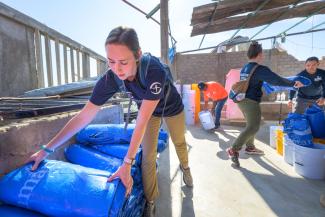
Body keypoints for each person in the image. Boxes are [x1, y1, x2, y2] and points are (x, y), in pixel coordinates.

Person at [26, 26, 193, 217]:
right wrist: (47, 149)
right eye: (111, 61)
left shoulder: (154, 71)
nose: (117, 68)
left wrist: (127, 163)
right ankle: (151, 198)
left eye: (123, 61)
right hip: (151, 113)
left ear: (138, 54)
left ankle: (186, 168)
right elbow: (84, 116)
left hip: (172, 108)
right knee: (147, 155)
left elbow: (141, 120)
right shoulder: (111, 78)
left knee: (179, 141)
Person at [226, 41, 304, 167]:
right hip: (251, 102)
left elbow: (253, 81)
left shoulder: (246, 67)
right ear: (260, 54)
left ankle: (250, 147)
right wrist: (293, 84)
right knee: (254, 127)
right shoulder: (260, 69)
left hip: (242, 100)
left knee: (250, 125)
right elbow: (276, 80)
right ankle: (234, 149)